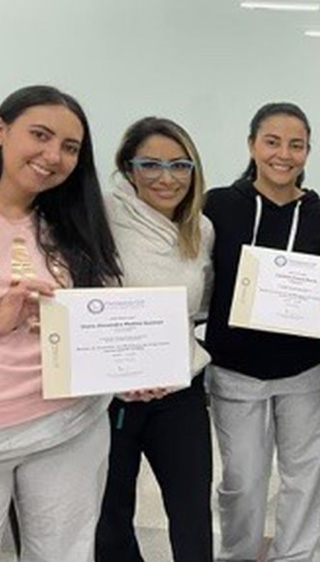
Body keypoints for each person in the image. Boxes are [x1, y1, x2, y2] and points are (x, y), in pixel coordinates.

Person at [203, 102, 320, 561]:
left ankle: (295, 555)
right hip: (235, 371)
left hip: (306, 371)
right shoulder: (217, 206)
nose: (283, 155)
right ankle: (238, 552)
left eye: (296, 145)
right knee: (243, 480)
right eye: (272, 142)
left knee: (304, 475)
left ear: (308, 152)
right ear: (252, 145)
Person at [0, 85, 121, 560]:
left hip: (70, 424)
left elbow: (104, 310)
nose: (54, 156)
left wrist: (132, 368)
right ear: (3, 131)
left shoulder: (74, 223)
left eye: (71, 147)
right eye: (41, 135)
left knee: (66, 551)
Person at [96, 117, 214, 561]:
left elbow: (200, 306)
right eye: (151, 165)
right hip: (114, 396)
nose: (167, 178)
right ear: (129, 169)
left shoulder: (200, 229)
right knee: (110, 521)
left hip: (180, 391)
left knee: (191, 519)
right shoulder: (101, 216)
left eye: (180, 165)